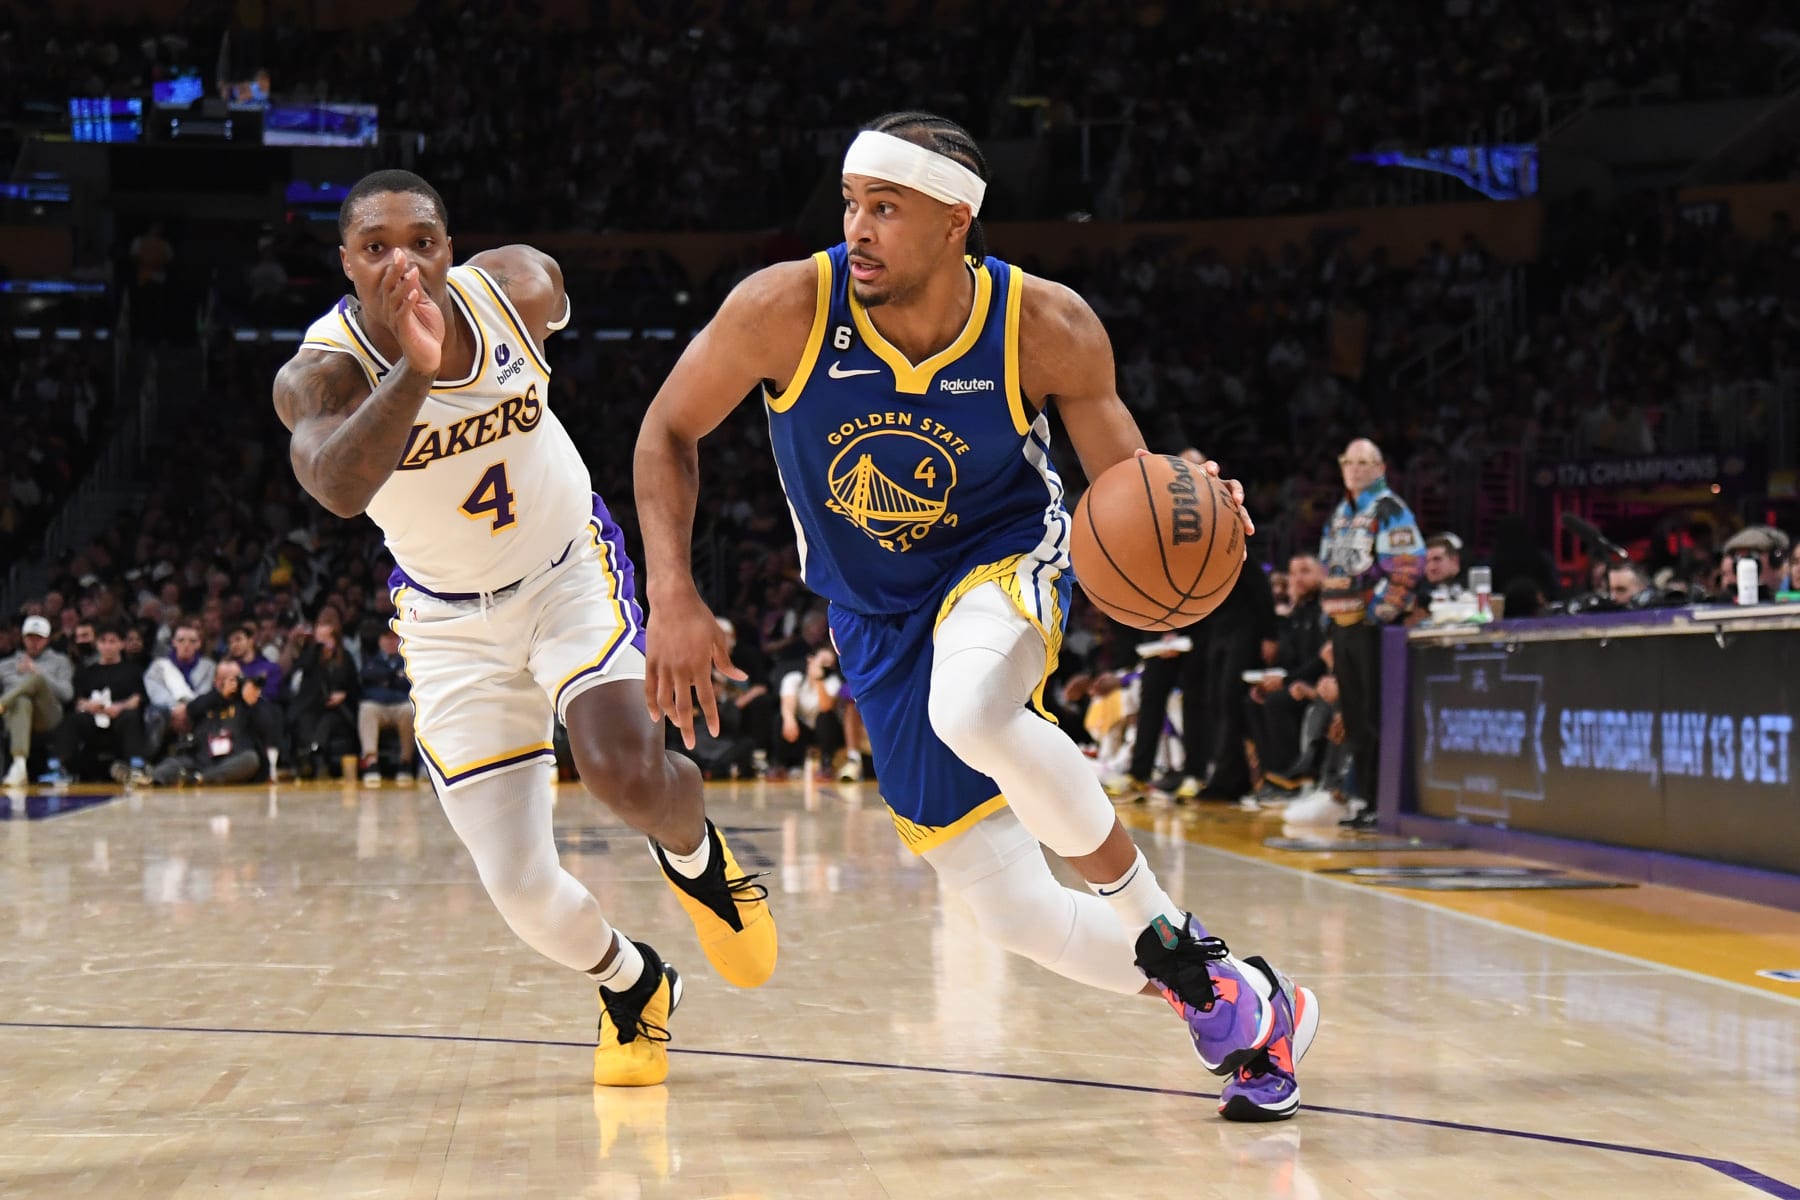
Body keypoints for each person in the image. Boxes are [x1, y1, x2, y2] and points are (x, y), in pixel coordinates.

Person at [634, 113, 1315, 1122]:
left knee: (974, 708)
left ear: (956, 221)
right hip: (872, 616)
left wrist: (1191, 496)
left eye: (886, 208)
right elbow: (668, 429)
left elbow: (1127, 489)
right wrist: (674, 592)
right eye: (852, 205)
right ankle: (1249, 1005)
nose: (857, 229)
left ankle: (1175, 942)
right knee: (1014, 914)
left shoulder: (1047, 326)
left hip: (1005, 557)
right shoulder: (784, 308)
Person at [271, 169, 775, 1088]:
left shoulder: (520, 288)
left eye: (421, 241)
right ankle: (634, 983)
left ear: (449, 248)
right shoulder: (322, 373)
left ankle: (703, 866)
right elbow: (339, 488)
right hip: (448, 623)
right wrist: (416, 374)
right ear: (345, 265)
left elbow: (560, 323)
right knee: (521, 892)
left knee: (624, 771)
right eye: (375, 248)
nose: (402, 262)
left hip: (564, 572)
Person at [1303, 438, 1423, 827]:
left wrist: (1377, 612)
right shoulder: (1340, 513)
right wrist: (1330, 621)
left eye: (1364, 463)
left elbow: (1407, 565)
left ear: (1381, 468)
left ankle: (1381, 803)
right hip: (1342, 628)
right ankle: (1365, 799)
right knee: (1354, 717)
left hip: (1371, 629)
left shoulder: (1390, 509)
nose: (1355, 469)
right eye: (1349, 462)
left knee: (1374, 715)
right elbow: (1328, 567)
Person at [56, 622, 149, 783]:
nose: (107, 646)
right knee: (73, 719)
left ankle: (136, 767)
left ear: (121, 644)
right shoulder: (86, 671)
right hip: (93, 719)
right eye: (103, 641)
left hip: (119, 718)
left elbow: (137, 698)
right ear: (97, 644)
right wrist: (89, 706)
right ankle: (61, 767)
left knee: (131, 717)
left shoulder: (132, 670)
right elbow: (78, 700)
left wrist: (120, 707)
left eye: (112, 641)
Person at [1, 615, 74, 786]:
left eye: (39, 638)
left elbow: (67, 694)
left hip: (48, 716)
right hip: (15, 718)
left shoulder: (60, 661)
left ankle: (2, 703)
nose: (34, 643)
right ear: (23, 638)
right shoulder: (6, 665)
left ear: (47, 639)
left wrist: (37, 671)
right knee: (22, 701)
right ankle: (19, 765)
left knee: (38, 680)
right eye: (30, 638)